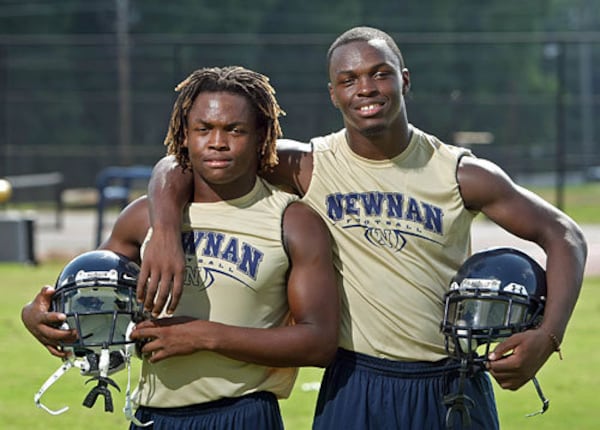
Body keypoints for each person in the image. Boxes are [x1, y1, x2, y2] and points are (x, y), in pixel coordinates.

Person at [141, 27, 587, 429]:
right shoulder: (308, 166)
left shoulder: (458, 173)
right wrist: (164, 232)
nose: (366, 89)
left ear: (404, 80)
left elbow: (564, 236)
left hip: (449, 380)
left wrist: (548, 337)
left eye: (380, 74)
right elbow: (185, 160)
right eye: (348, 80)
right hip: (354, 382)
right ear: (333, 94)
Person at [21, 65, 339, 429]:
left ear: (261, 135)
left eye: (234, 130)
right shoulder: (144, 218)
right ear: (184, 135)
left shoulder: (293, 221)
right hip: (152, 417)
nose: (217, 142)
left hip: (243, 413)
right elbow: (88, 291)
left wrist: (206, 336)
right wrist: (36, 314)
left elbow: (319, 342)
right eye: (204, 129)